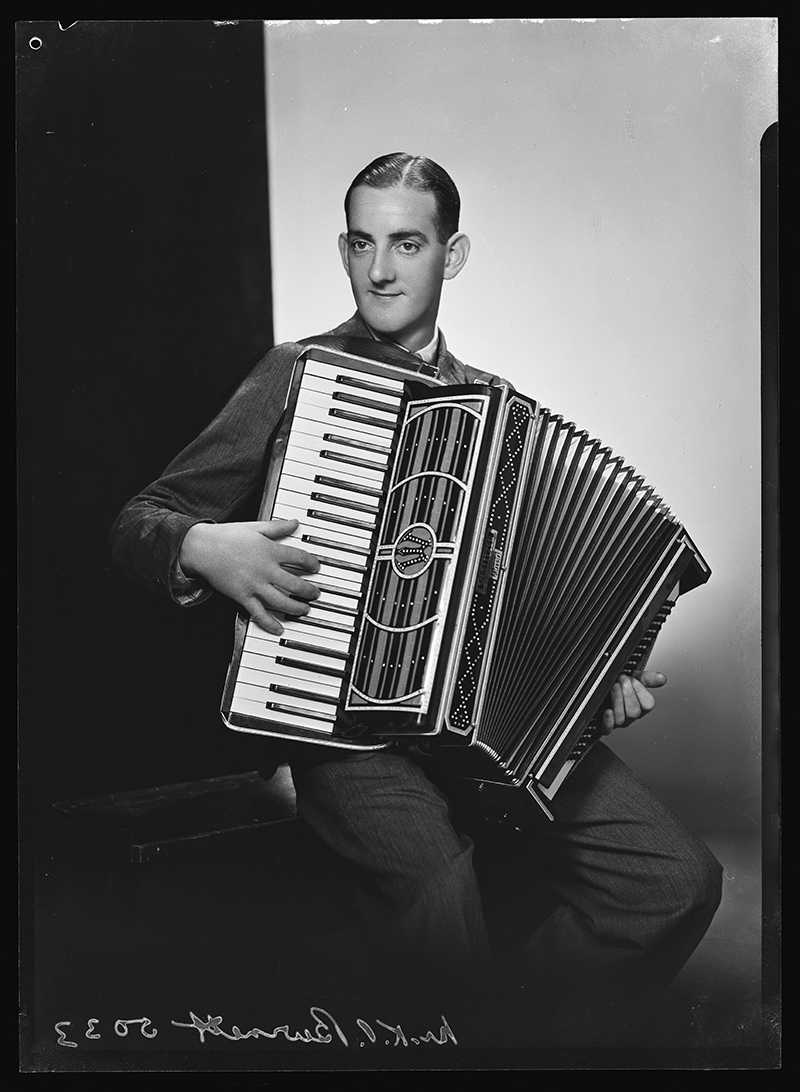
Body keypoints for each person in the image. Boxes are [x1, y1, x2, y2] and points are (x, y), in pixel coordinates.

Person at [110, 153, 722, 1044]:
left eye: (407, 243)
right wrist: (203, 546)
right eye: (362, 243)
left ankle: (510, 1038)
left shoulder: (495, 410)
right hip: (342, 733)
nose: (381, 270)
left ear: (453, 253)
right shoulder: (299, 374)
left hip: (477, 742)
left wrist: (596, 681)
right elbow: (138, 521)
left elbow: (525, 607)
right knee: (438, 893)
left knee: (677, 881)